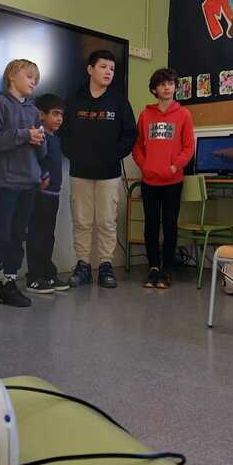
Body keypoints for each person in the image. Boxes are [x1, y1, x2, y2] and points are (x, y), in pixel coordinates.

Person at [60, 50, 137, 289]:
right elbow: (63, 131)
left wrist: (113, 155)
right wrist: (74, 154)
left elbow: (130, 134)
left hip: (109, 173)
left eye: (112, 69)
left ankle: (105, 265)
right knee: (81, 221)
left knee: (107, 221)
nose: (108, 72)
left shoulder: (119, 101)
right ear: (90, 69)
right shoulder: (73, 100)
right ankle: (83, 265)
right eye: (103, 67)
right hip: (80, 171)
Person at [0, 59, 46, 311]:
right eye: (29, 76)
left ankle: (9, 284)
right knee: (0, 235)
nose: (34, 81)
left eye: (36, 78)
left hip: (28, 183)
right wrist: (25, 135)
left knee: (18, 236)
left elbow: (41, 150)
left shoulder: (34, 110)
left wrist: (40, 140)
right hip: (5, 183)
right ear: (12, 76)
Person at [132, 68, 194, 289]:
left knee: (169, 225)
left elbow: (188, 147)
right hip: (149, 181)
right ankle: (153, 268)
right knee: (150, 225)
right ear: (154, 89)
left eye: (170, 83)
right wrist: (145, 166)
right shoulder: (145, 115)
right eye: (162, 84)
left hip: (173, 181)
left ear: (175, 87)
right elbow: (137, 147)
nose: (167, 87)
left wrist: (174, 166)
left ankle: (166, 270)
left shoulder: (183, 114)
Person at [25, 93, 71, 294]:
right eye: (55, 113)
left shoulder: (56, 139)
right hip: (40, 195)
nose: (59, 118)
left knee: (47, 236)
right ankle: (34, 277)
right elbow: (33, 160)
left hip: (53, 195)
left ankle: (47, 273)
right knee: (37, 235)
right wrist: (42, 175)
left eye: (61, 114)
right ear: (41, 115)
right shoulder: (39, 137)